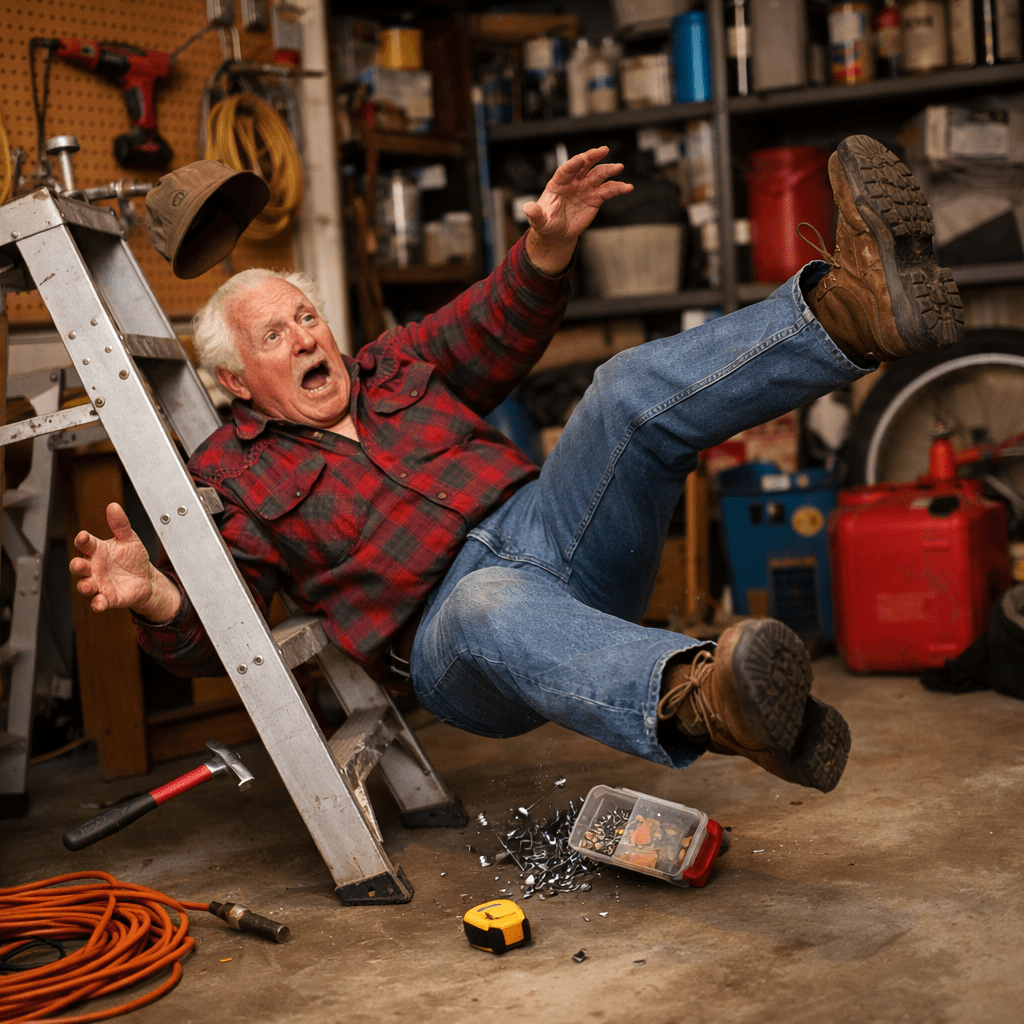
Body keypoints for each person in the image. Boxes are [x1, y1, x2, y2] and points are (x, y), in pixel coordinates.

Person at [70, 136, 963, 795]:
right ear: (234, 380)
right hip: (451, 638)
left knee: (618, 393)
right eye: (277, 335)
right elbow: (220, 632)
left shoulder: (395, 365)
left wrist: (546, 245)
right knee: (491, 601)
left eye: (307, 316)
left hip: (555, 531)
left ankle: (848, 313)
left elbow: (494, 319)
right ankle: (698, 695)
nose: (307, 335)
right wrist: (156, 599)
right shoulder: (236, 474)